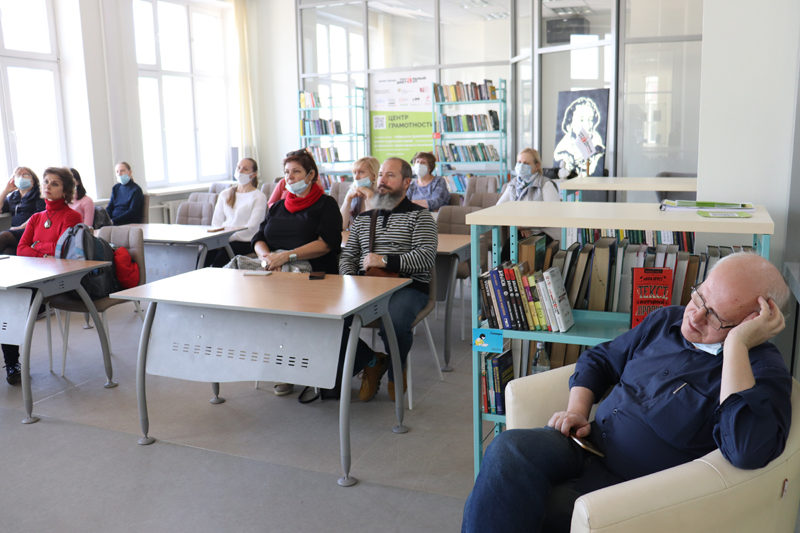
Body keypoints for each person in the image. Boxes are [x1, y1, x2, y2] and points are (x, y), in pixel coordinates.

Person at [462, 252, 791, 533]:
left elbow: (746, 450)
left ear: (754, 321)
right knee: (507, 450)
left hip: (631, 488)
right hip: (586, 444)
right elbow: (601, 359)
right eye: (699, 298)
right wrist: (577, 410)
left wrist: (736, 346)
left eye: (715, 317)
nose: (694, 316)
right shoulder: (667, 320)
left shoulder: (761, 371)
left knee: (528, 507)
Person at [337, 157, 438, 402]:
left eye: (390, 175)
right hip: (367, 286)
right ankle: (372, 361)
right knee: (329, 317)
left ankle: (396, 370)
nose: (382, 180)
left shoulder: (421, 217)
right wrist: (350, 280)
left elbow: (425, 257)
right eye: (381, 174)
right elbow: (348, 256)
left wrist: (384, 261)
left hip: (409, 287)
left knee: (394, 318)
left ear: (406, 182)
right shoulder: (363, 219)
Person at [252, 149, 342, 396]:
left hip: (316, 277)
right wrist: (268, 258)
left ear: (311, 175)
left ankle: (301, 368)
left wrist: (286, 256)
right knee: (263, 316)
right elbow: (258, 238)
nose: (289, 177)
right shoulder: (278, 206)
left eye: (296, 172)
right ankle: (284, 368)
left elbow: (327, 244)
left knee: (294, 318)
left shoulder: (326, 205)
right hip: (275, 274)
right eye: (286, 172)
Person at [3, 167, 82, 385]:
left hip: (58, 278)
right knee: (7, 301)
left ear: (65, 191)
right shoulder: (36, 217)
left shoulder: (72, 216)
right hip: (32, 274)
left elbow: (62, 251)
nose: (47, 186)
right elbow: (21, 249)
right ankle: (12, 364)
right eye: (46, 182)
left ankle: (12, 362)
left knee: (12, 303)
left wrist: (37, 246)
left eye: (54, 183)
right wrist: (45, 250)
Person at [497, 148, 561, 259]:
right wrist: (519, 226)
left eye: (526, 163)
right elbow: (499, 209)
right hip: (522, 232)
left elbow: (552, 215)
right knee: (507, 252)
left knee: (532, 255)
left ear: (536, 166)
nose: (521, 166)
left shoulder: (546, 185)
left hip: (546, 233)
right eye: (519, 162)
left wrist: (524, 224)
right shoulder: (513, 185)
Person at [205, 158, 267, 268]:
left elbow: (252, 227)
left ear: (254, 174)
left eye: (245, 169)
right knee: (203, 257)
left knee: (219, 261)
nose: (240, 171)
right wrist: (220, 239)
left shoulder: (259, 196)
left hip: (246, 241)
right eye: (238, 168)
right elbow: (216, 221)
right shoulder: (225, 194)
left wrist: (226, 239)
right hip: (223, 239)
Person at [553, 96, 605, 176]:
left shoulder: (598, 152)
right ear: (570, 123)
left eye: (591, 120)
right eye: (581, 120)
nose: (587, 126)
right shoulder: (561, 153)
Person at [0, 167, 46, 255]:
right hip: (15, 231)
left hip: (31, 231)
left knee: (3, 236)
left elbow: (40, 214)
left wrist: (20, 227)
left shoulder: (39, 193)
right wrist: (5, 191)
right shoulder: (13, 196)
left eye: (25, 175)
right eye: (18, 174)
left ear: (33, 180)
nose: (21, 177)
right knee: (8, 252)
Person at [340, 156, 379, 230]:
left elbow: (372, 229)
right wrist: (348, 200)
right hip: (352, 234)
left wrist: (370, 197)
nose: (356, 177)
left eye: (361, 172)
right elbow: (341, 226)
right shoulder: (352, 191)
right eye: (355, 173)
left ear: (374, 175)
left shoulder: (382, 195)